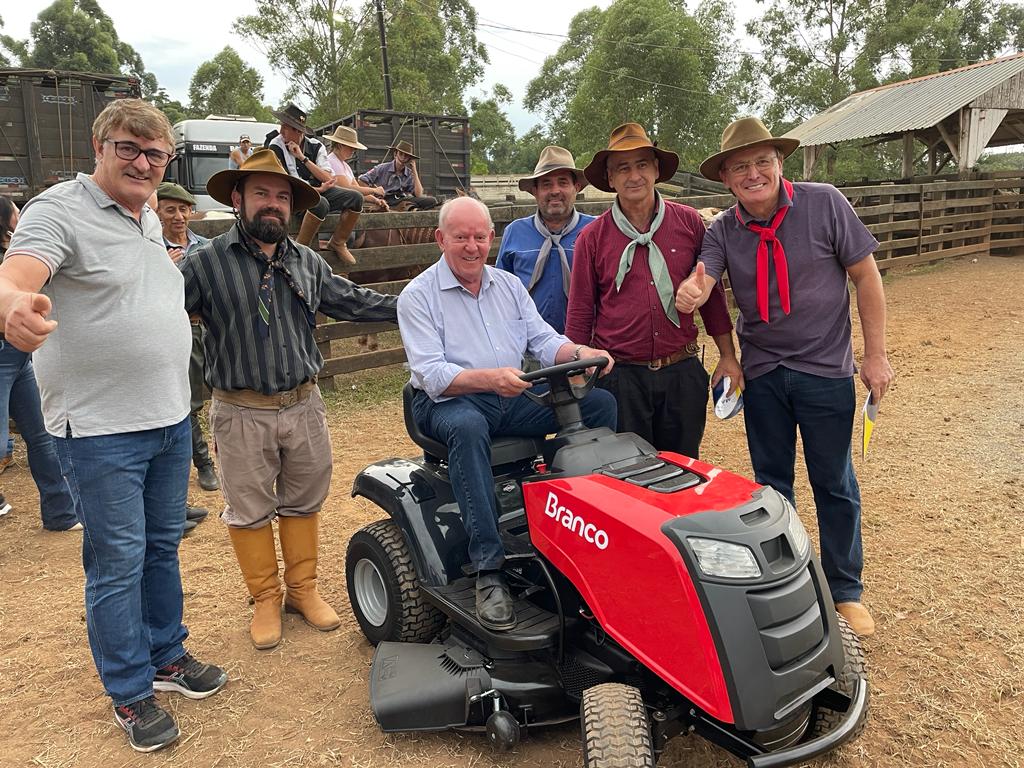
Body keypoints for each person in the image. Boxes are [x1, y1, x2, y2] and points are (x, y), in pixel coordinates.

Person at [0, 98, 226, 752]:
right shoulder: (58, 210)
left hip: (166, 418)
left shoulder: (148, 218)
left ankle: (166, 656)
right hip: (98, 431)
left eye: (155, 153)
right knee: (117, 561)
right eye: (129, 148)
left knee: (159, 546)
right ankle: (130, 692)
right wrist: (15, 306)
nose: (143, 162)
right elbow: (17, 274)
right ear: (98, 149)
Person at [675, 116, 896, 637]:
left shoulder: (825, 203)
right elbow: (704, 275)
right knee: (771, 487)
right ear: (726, 180)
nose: (753, 174)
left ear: (779, 163)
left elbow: (865, 274)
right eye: (740, 167)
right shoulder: (724, 230)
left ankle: (845, 590)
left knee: (834, 481)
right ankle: (791, 582)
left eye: (762, 162)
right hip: (765, 373)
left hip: (826, 370)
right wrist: (693, 289)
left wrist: (876, 355)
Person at [181, 148, 398, 651]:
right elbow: (163, 315)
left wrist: (416, 304)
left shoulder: (306, 262)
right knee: (249, 508)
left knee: (303, 500)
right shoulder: (205, 265)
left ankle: (302, 590)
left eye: (282, 196)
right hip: (240, 410)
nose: (273, 205)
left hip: (303, 405)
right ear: (238, 198)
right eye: (262, 194)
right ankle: (264, 598)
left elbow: (355, 302)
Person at [397, 197, 617, 631]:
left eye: (479, 237)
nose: (471, 246)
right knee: (467, 426)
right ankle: (488, 569)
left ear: (491, 239)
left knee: (599, 404)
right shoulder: (417, 296)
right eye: (461, 237)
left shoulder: (509, 287)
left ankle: (576, 525)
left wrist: (580, 351)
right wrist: (490, 379)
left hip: (508, 391)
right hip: (447, 401)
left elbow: (543, 339)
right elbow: (433, 373)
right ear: (441, 239)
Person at [565, 123, 738, 459]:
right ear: (610, 179)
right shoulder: (592, 238)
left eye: (642, 164)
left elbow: (712, 299)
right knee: (628, 474)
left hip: (681, 370)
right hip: (620, 377)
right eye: (622, 168)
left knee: (683, 467)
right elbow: (581, 310)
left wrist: (728, 356)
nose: (634, 176)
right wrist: (575, 371)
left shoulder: (689, 223)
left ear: (657, 170)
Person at [0, 195, 82, 531]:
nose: (20, 214)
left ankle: (60, 512)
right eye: (16, 210)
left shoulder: (25, 249)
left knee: (41, 434)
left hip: (19, 357)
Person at [156, 182, 219, 496]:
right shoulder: (154, 249)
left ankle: (224, 457)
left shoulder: (206, 246)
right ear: (158, 212)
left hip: (214, 328)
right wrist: (166, 269)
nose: (178, 216)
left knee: (224, 391)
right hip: (184, 330)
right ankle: (204, 463)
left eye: (183, 209)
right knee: (190, 401)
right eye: (170, 209)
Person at [496, 146, 594, 334]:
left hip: (584, 345)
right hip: (528, 344)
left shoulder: (594, 231)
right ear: (535, 191)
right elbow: (501, 293)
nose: (555, 191)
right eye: (546, 184)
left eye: (563, 182)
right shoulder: (515, 232)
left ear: (577, 188)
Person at [264, 103, 364, 267]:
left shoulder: (316, 146)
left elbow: (328, 178)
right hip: (292, 197)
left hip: (317, 193)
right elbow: (286, 183)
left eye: (286, 127)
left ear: (299, 132)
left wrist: (303, 158)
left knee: (356, 198)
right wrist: (317, 189)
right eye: (282, 126)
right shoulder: (276, 146)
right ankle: (298, 252)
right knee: (319, 202)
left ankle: (338, 242)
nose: (281, 131)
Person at [320, 125, 389, 210]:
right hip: (334, 206)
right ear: (341, 145)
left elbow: (358, 189)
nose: (353, 151)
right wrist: (374, 190)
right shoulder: (332, 161)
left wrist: (376, 200)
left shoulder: (345, 166)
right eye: (351, 147)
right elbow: (347, 189)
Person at [358, 139, 437, 210]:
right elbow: (361, 180)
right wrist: (373, 195)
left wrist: (414, 171)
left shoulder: (409, 173)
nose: (403, 157)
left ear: (409, 159)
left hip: (400, 200)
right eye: (401, 154)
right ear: (395, 154)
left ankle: (404, 208)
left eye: (406, 156)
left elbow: (419, 194)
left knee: (432, 201)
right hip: (383, 199)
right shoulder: (382, 168)